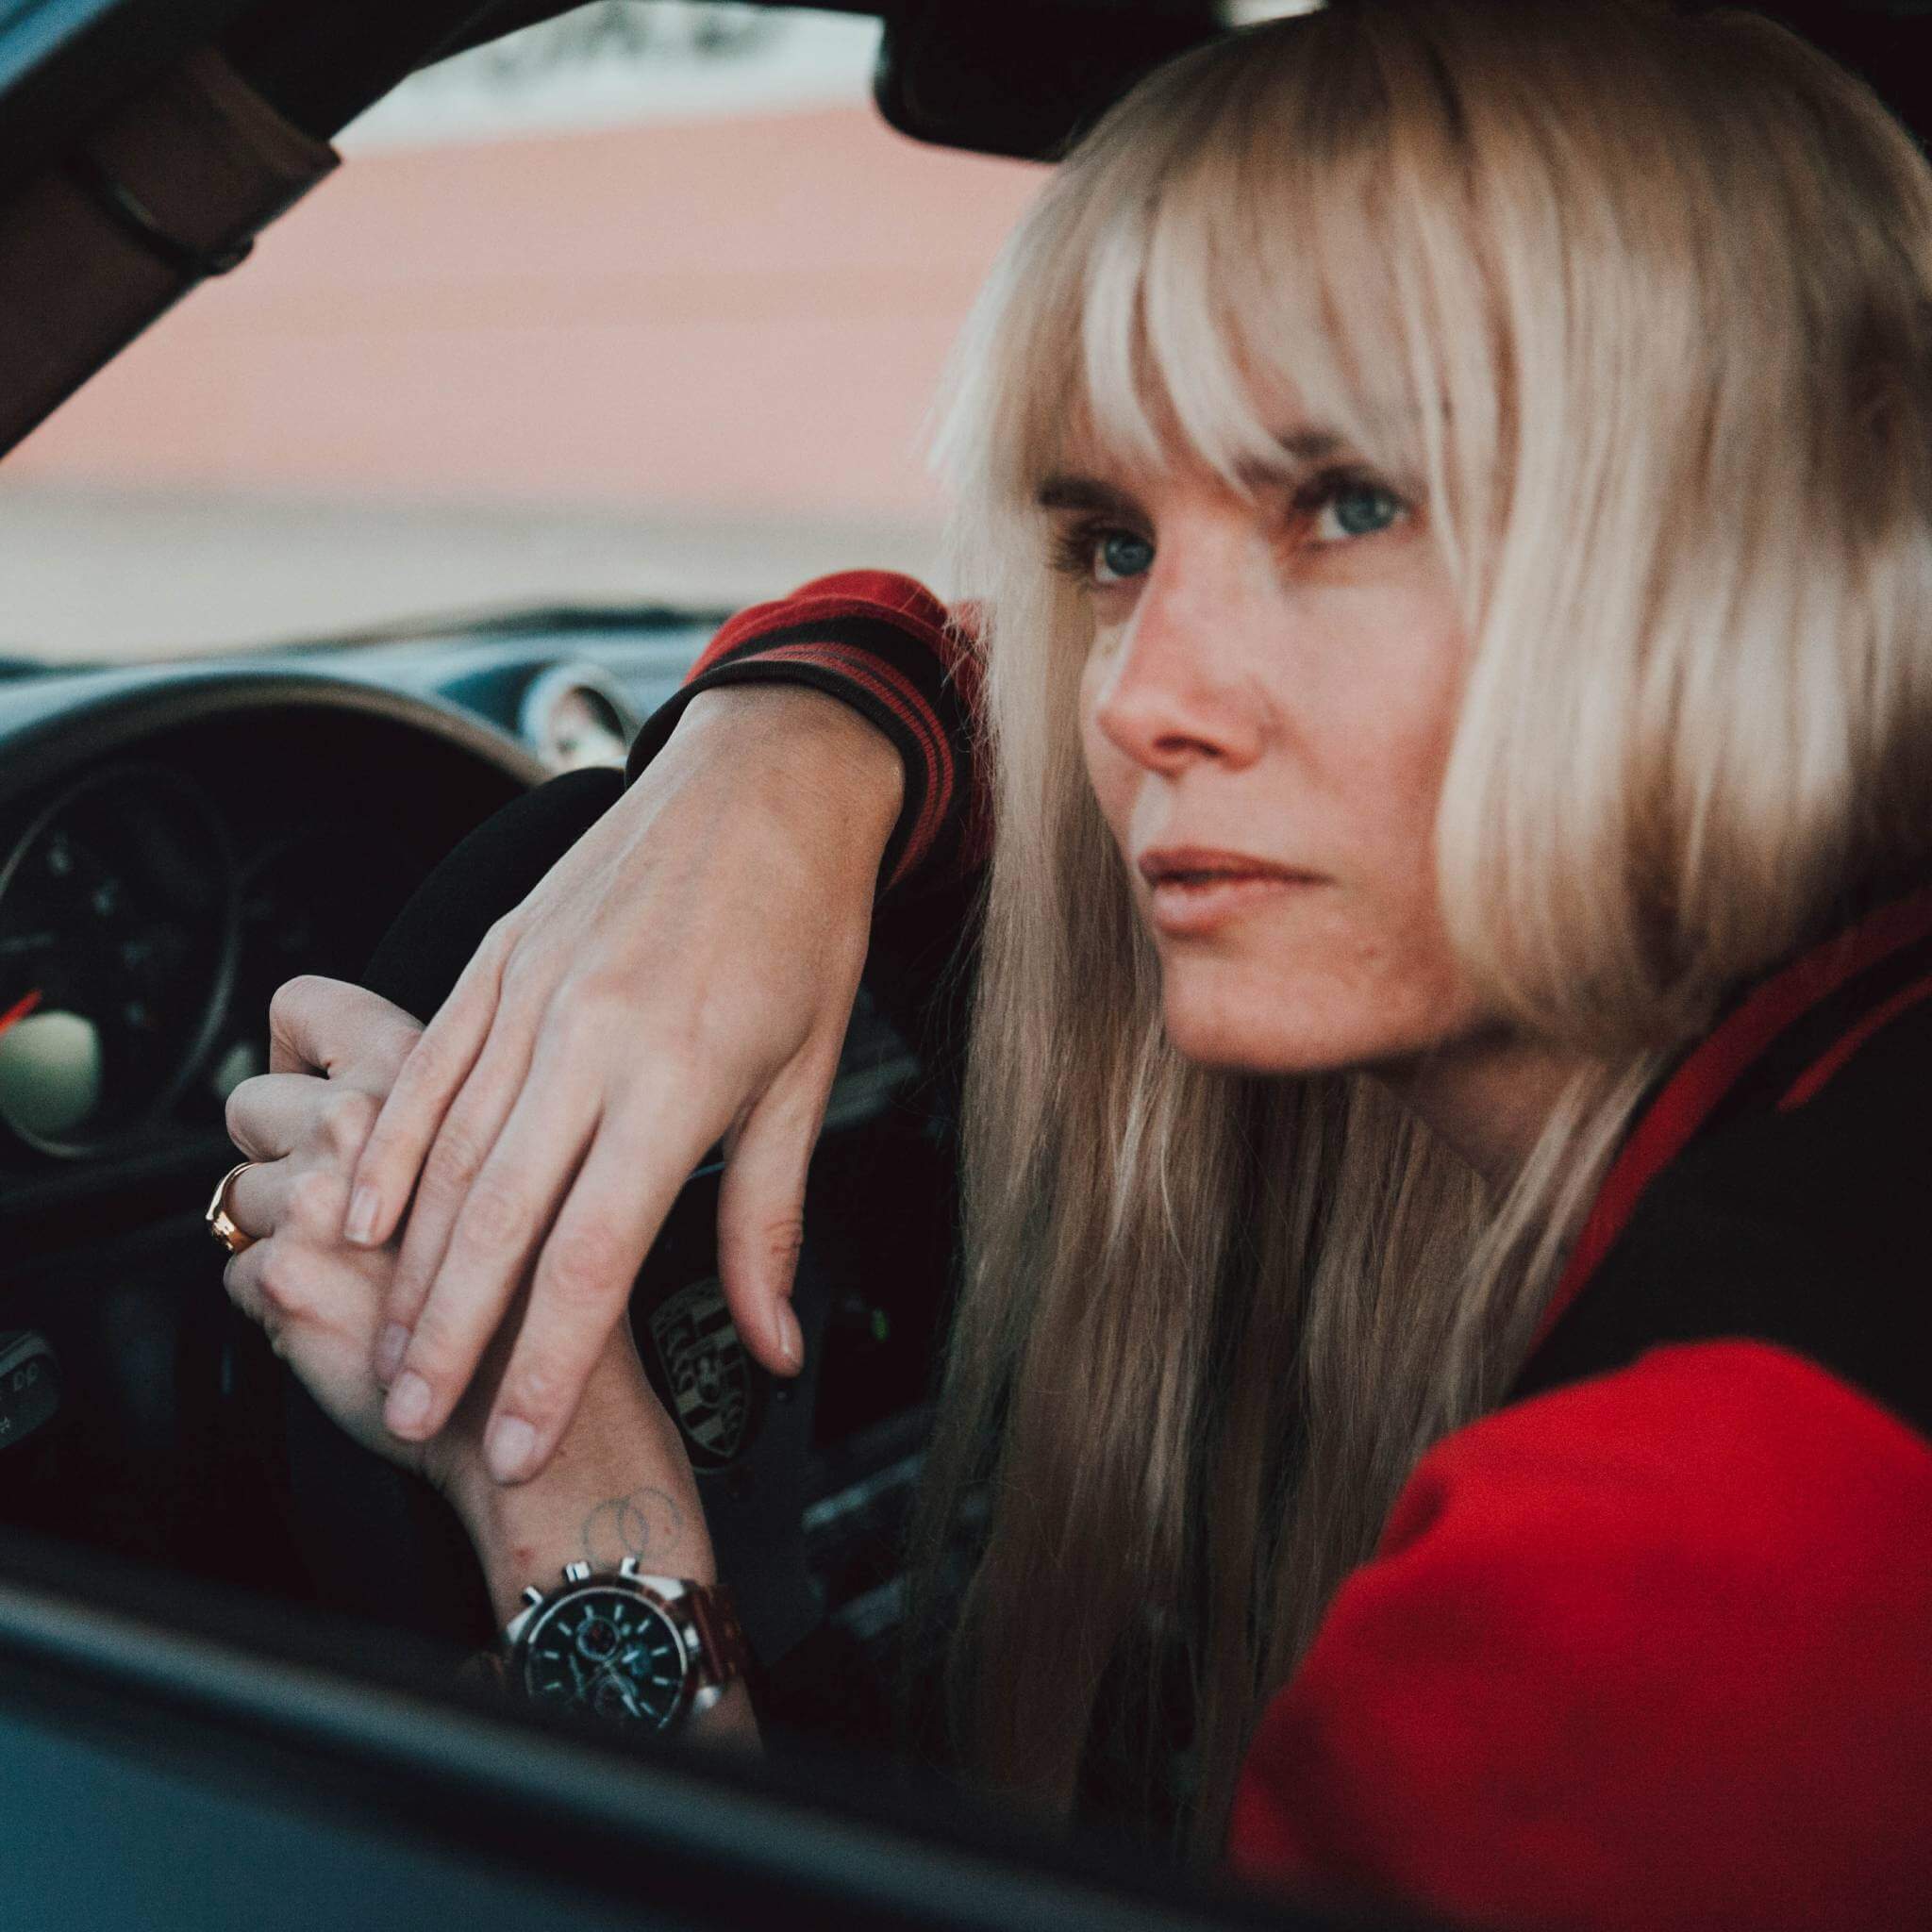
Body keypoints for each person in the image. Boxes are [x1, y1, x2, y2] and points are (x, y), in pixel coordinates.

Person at [219, 2, 1932, 1924]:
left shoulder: (1705, 1555)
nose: (1140, 695)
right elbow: (983, 687)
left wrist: (558, 1487)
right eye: (1108, 542)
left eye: (1348, 507)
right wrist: (794, 734)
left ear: (1774, 551)